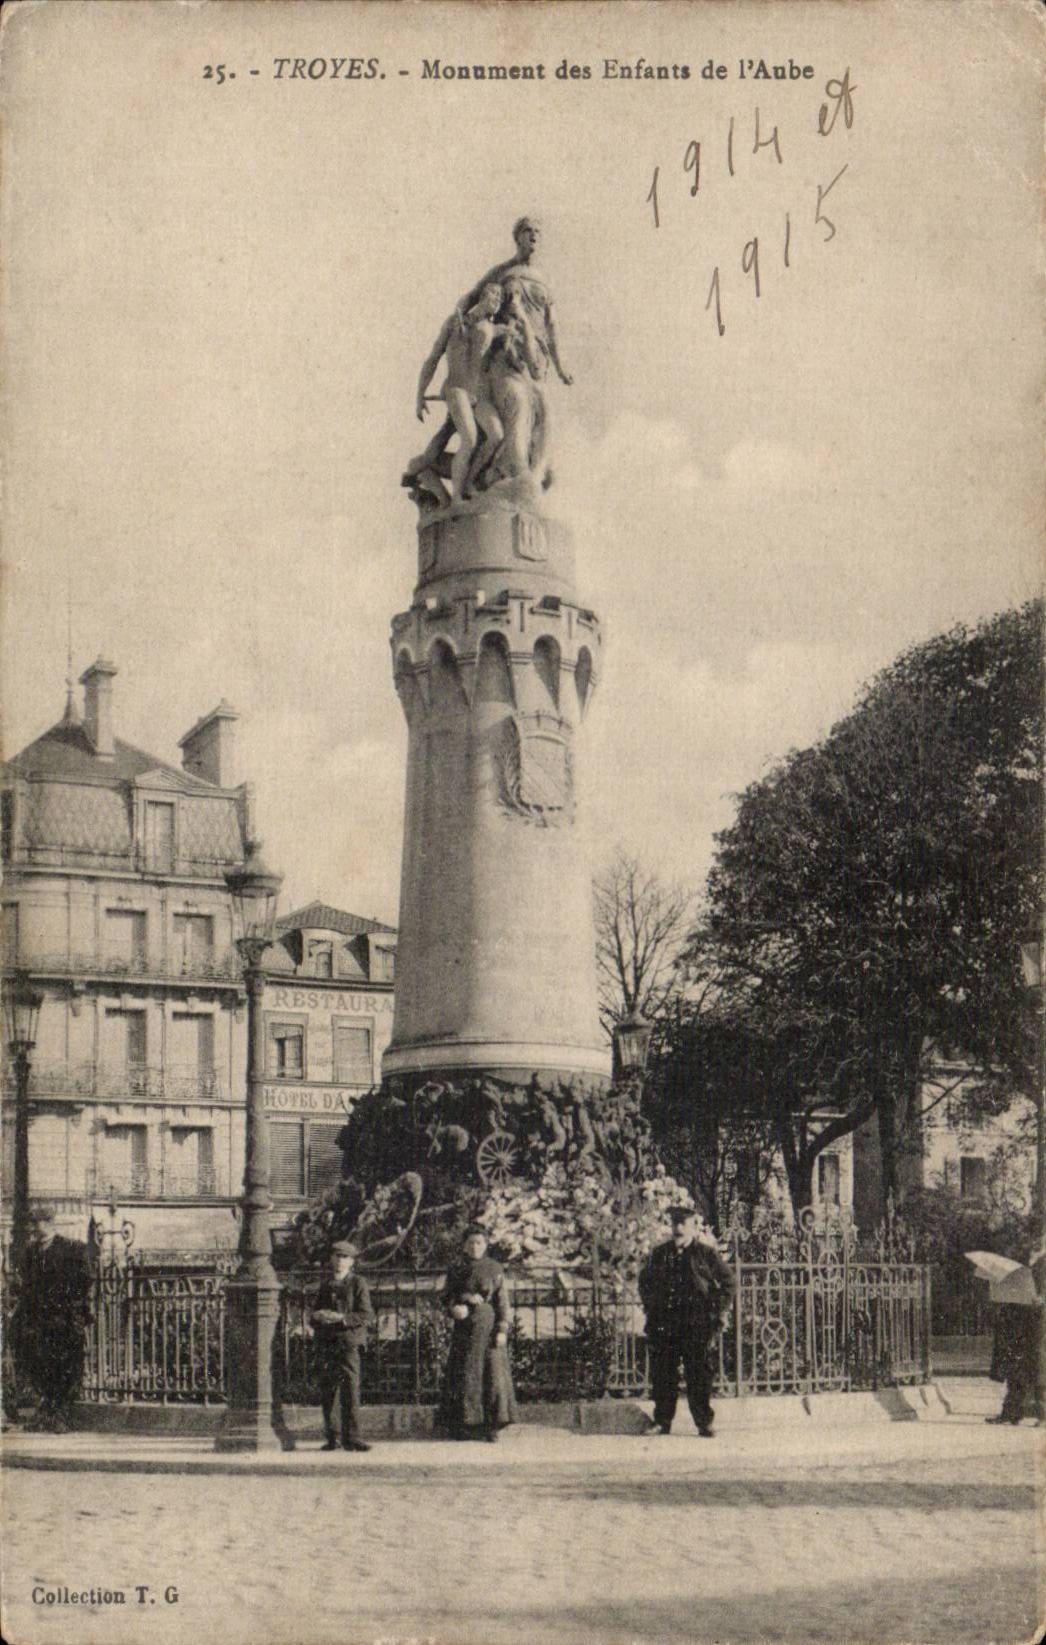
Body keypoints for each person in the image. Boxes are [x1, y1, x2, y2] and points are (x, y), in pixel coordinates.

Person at [638, 1207, 734, 1438]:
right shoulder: (660, 1254)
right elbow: (645, 1283)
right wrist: (653, 1308)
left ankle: (703, 1422)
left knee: (699, 1374)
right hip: (666, 1325)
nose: (679, 1228)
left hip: (697, 1325)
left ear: (693, 1227)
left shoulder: (706, 1254)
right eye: (675, 1223)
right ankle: (662, 1421)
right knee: (663, 1374)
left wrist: (714, 1309)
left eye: (684, 1224)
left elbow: (728, 1284)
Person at [414, 282, 509, 501]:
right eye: (494, 295)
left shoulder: (493, 328)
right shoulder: (454, 322)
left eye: (500, 298)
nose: (497, 300)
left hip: (475, 395)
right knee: (469, 439)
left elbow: (513, 333)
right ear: (483, 295)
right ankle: (456, 497)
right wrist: (420, 394)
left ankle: (468, 482)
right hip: (455, 389)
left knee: (496, 435)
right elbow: (433, 359)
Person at [16, 1207, 93, 1430]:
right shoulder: (31, 1252)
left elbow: (84, 1281)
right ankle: (46, 1414)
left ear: (49, 1223)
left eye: (37, 1223)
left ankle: (61, 1416)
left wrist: (74, 1309)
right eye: (32, 1223)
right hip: (39, 1322)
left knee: (64, 1367)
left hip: (64, 1320)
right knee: (40, 1366)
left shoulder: (71, 1249)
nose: (33, 1228)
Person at [438, 1224, 517, 1442]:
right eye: (471, 1242)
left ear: (486, 1244)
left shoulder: (495, 1268)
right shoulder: (456, 1269)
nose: (475, 1247)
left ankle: (492, 1426)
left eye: (479, 1242)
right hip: (465, 1330)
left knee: (492, 1373)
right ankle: (464, 1425)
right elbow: (445, 1297)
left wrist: (502, 1329)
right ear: (464, 1245)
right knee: (465, 1373)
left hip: (488, 1327)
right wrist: (459, 1302)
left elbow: (502, 1302)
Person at [310, 1240, 374, 1452]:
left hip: (348, 1343)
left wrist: (342, 1318)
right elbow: (315, 1313)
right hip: (327, 1343)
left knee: (350, 1389)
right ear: (331, 1259)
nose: (340, 1261)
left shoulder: (358, 1283)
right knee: (329, 1390)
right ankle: (333, 1437)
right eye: (337, 1256)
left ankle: (353, 1438)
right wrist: (318, 1316)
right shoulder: (326, 1284)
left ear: (352, 1262)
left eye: (345, 1257)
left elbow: (366, 1314)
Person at [986, 1299, 1040, 1425]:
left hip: (1028, 1310)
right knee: (1016, 1366)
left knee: (1022, 1365)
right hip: (1018, 1308)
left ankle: (1014, 1411)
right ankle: (1012, 1411)